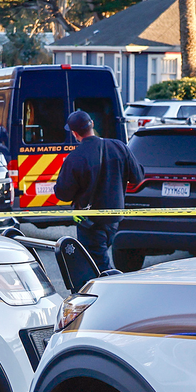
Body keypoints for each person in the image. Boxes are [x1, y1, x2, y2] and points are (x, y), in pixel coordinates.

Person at [52, 109, 143, 271]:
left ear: (74, 133)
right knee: (98, 261)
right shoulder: (119, 147)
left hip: (90, 223)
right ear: (92, 125)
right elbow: (138, 177)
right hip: (115, 219)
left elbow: (63, 194)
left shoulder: (75, 157)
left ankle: (109, 292)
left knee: (97, 267)